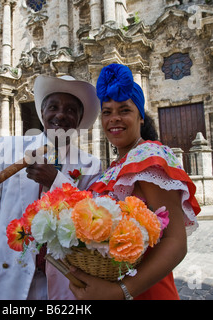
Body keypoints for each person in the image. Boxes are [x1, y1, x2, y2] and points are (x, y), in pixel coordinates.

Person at [0, 75, 102, 300]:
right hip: (8, 285)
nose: (61, 115)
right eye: (53, 107)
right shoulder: (9, 150)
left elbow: (92, 224)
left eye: (71, 110)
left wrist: (56, 181)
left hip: (63, 288)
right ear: (42, 113)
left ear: (79, 120)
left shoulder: (91, 165)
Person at [68, 63, 201, 300]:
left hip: (145, 292)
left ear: (141, 116)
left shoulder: (149, 157)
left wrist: (121, 292)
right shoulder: (113, 169)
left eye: (124, 110)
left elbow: (175, 241)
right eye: (107, 112)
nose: (114, 118)